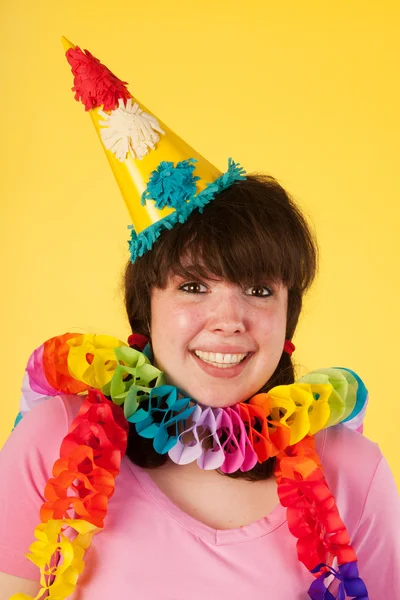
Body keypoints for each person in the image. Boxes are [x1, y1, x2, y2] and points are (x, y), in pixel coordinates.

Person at [0, 39, 399, 600]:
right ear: (147, 306)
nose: (229, 320)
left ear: (288, 318)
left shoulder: (355, 470)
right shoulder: (54, 441)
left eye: (259, 290)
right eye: (193, 286)